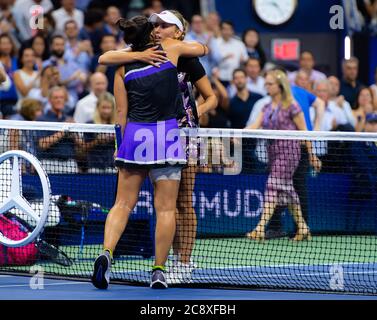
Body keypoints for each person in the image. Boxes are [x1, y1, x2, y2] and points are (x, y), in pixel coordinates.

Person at [98, 9, 217, 284]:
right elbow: (106, 56)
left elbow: (120, 112)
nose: (159, 28)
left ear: (177, 30)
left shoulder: (170, 56)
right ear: (151, 32)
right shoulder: (160, 50)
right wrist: (140, 55)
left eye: (164, 25)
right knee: (166, 207)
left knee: (171, 203)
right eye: (156, 25)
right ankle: (159, 270)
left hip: (160, 134)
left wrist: (191, 115)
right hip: (167, 135)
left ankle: (178, 262)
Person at [246, 70, 321, 241]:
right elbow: (254, 125)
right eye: (266, 83)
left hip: (290, 152)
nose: (267, 86)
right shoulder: (266, 107)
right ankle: (303, 228)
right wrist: (235, 134)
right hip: (273, 153)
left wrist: (312, 155)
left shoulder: (292, 106)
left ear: (280, 86)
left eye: (270, 83)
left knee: (272, 185)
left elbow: (304, 132)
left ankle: (259, 228)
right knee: (287, 191)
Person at [36, 86, 83, 174]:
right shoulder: (42, 119)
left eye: (61, 97)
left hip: (70, 164)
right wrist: (64, 131)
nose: (59, 100)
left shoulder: (69, 119)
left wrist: (74, 132)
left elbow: (80, 145)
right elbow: (42, 144)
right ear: (50, 100)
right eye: (56, 97)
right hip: (49, 163)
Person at [83, 92, 116, 173]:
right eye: (104, 107)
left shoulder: (117, 126)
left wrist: (116, 137)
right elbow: (83, 149)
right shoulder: (90, 125)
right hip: (94, 166)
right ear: (98, 107)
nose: (106, 111)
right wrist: (97, 141)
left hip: (112, 166)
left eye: (109, 108)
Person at [215, 21, 248, 87]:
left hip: (236, 77)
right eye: (225, 29)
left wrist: (243, 59)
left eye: (229, 29)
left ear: (232, 31)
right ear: (221, 30)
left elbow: (246, 58)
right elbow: (210, 60)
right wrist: (224, 58)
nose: (227, 32)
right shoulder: (215, 43)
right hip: (220, 77)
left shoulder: (239, 44)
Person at [0, 33, 18, 118]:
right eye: (3, 43)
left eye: (8, 43)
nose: (6, 46)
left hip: (15, 101)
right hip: (1, 101)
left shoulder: (16, 61)